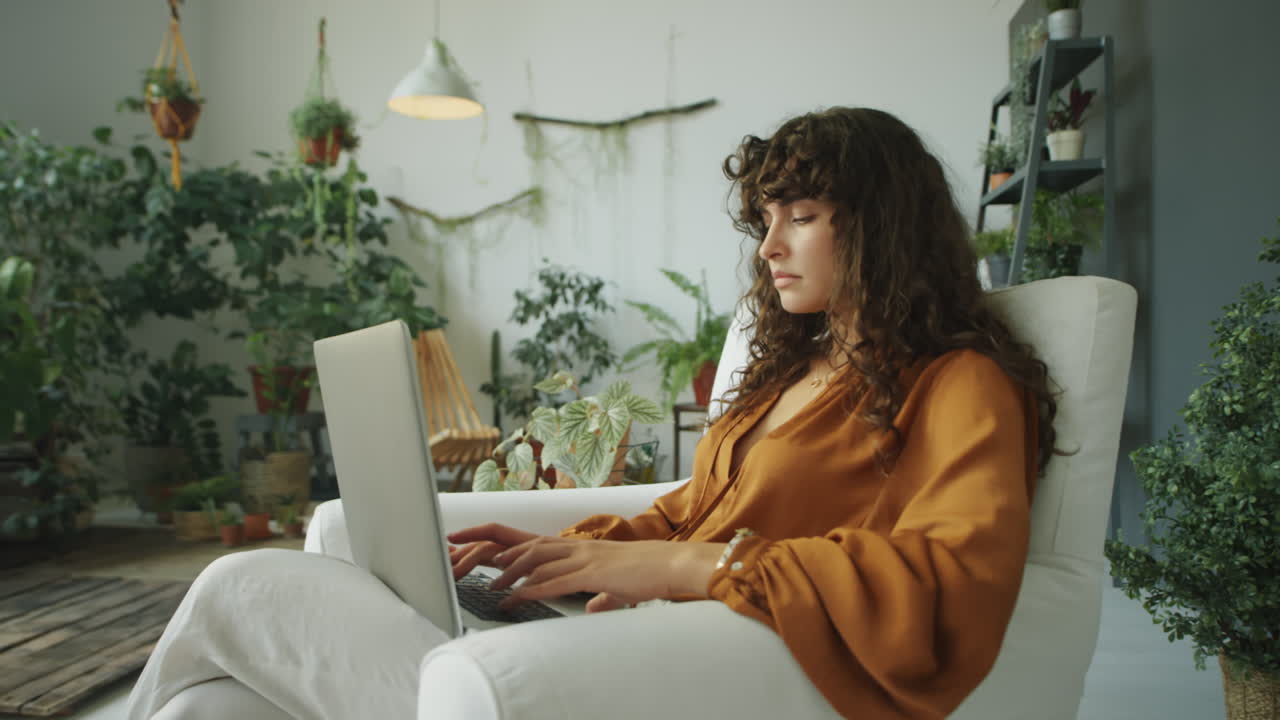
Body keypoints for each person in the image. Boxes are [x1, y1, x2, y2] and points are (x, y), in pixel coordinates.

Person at [127, 106, 1057, 720]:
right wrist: (560, 552)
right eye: (765, 218)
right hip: (616, 621)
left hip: (692, 658)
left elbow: (948, 581)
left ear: (882, 228)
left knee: (238, 587)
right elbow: (694, 511)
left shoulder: (958, 384)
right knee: (207, 710)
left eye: (801, 214)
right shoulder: (792, 371)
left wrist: (685, 568)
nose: (768, 245)